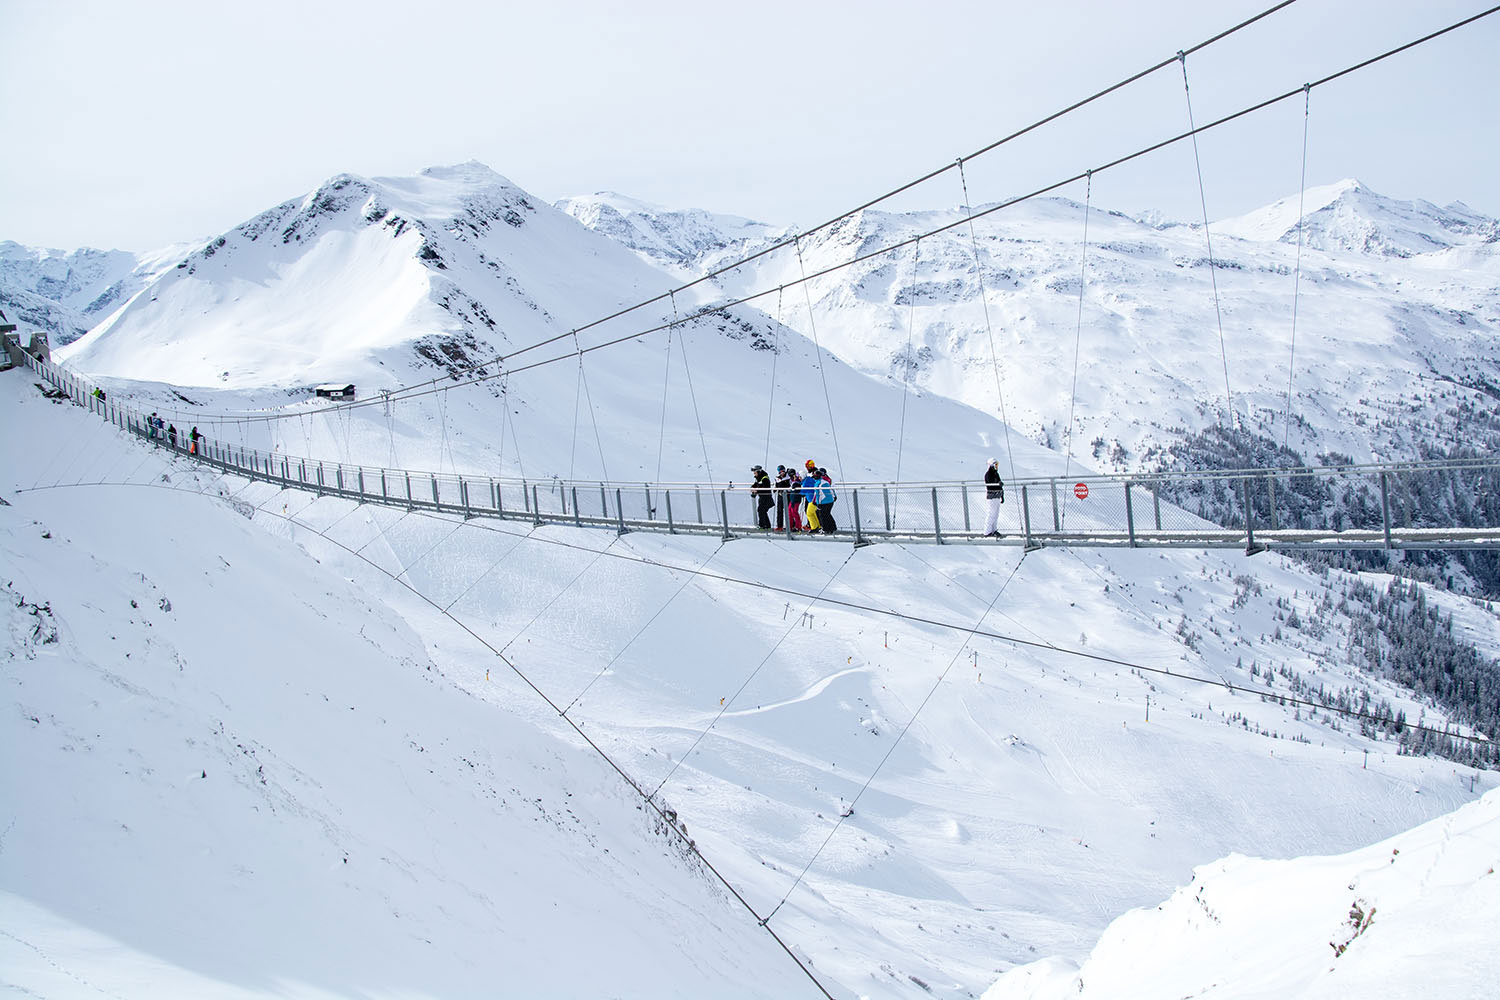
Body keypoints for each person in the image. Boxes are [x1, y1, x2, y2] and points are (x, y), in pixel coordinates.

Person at [983, 458, 1005, 537]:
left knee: (996, 514)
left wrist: (1002, 495)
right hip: (992, 497)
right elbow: (990, 485)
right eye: (995, 465)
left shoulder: (996, 474)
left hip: (997, 496)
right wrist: (997, 484)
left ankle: (994, 530)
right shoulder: (988, 474)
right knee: (991, 514)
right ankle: (987, 531)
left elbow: (999, 485)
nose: (996, 466)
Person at [751, 464, 774, 529]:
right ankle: (766, 525)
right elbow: (756, 485)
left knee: (761, 510)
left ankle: (763, 525)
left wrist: (757, 491)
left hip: (766, 498)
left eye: (755, 472)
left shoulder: (765, 478)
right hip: (762, 498)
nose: (754, 474)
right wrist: (753, 487)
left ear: (758, 472)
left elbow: (765, 488)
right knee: (762, 510)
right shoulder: (759, 478)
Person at [773, 464, 793, 531]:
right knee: (779, 511)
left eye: (783, 471)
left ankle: (791, 525)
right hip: (780, 496)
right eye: (780, 471)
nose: (782, 473)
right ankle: (779, 525)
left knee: (788, 511)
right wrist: (775, 488)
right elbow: (775, 487)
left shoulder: (788, 477)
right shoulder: (777, 478)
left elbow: (791, 486)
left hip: (787, 495)